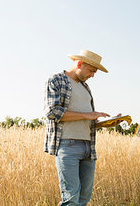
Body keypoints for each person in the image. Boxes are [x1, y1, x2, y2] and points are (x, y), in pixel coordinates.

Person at [43, 49, 119, 206]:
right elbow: (52, 112)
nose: (93, 75)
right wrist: (87, 115)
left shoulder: (85, 88)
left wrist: (106, 124)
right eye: (91, 70)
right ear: (79, 64)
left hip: (88, 147)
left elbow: (86, 120)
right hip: (67, 146)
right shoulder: (56, 80)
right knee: (71, 199)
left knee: (83, 199)